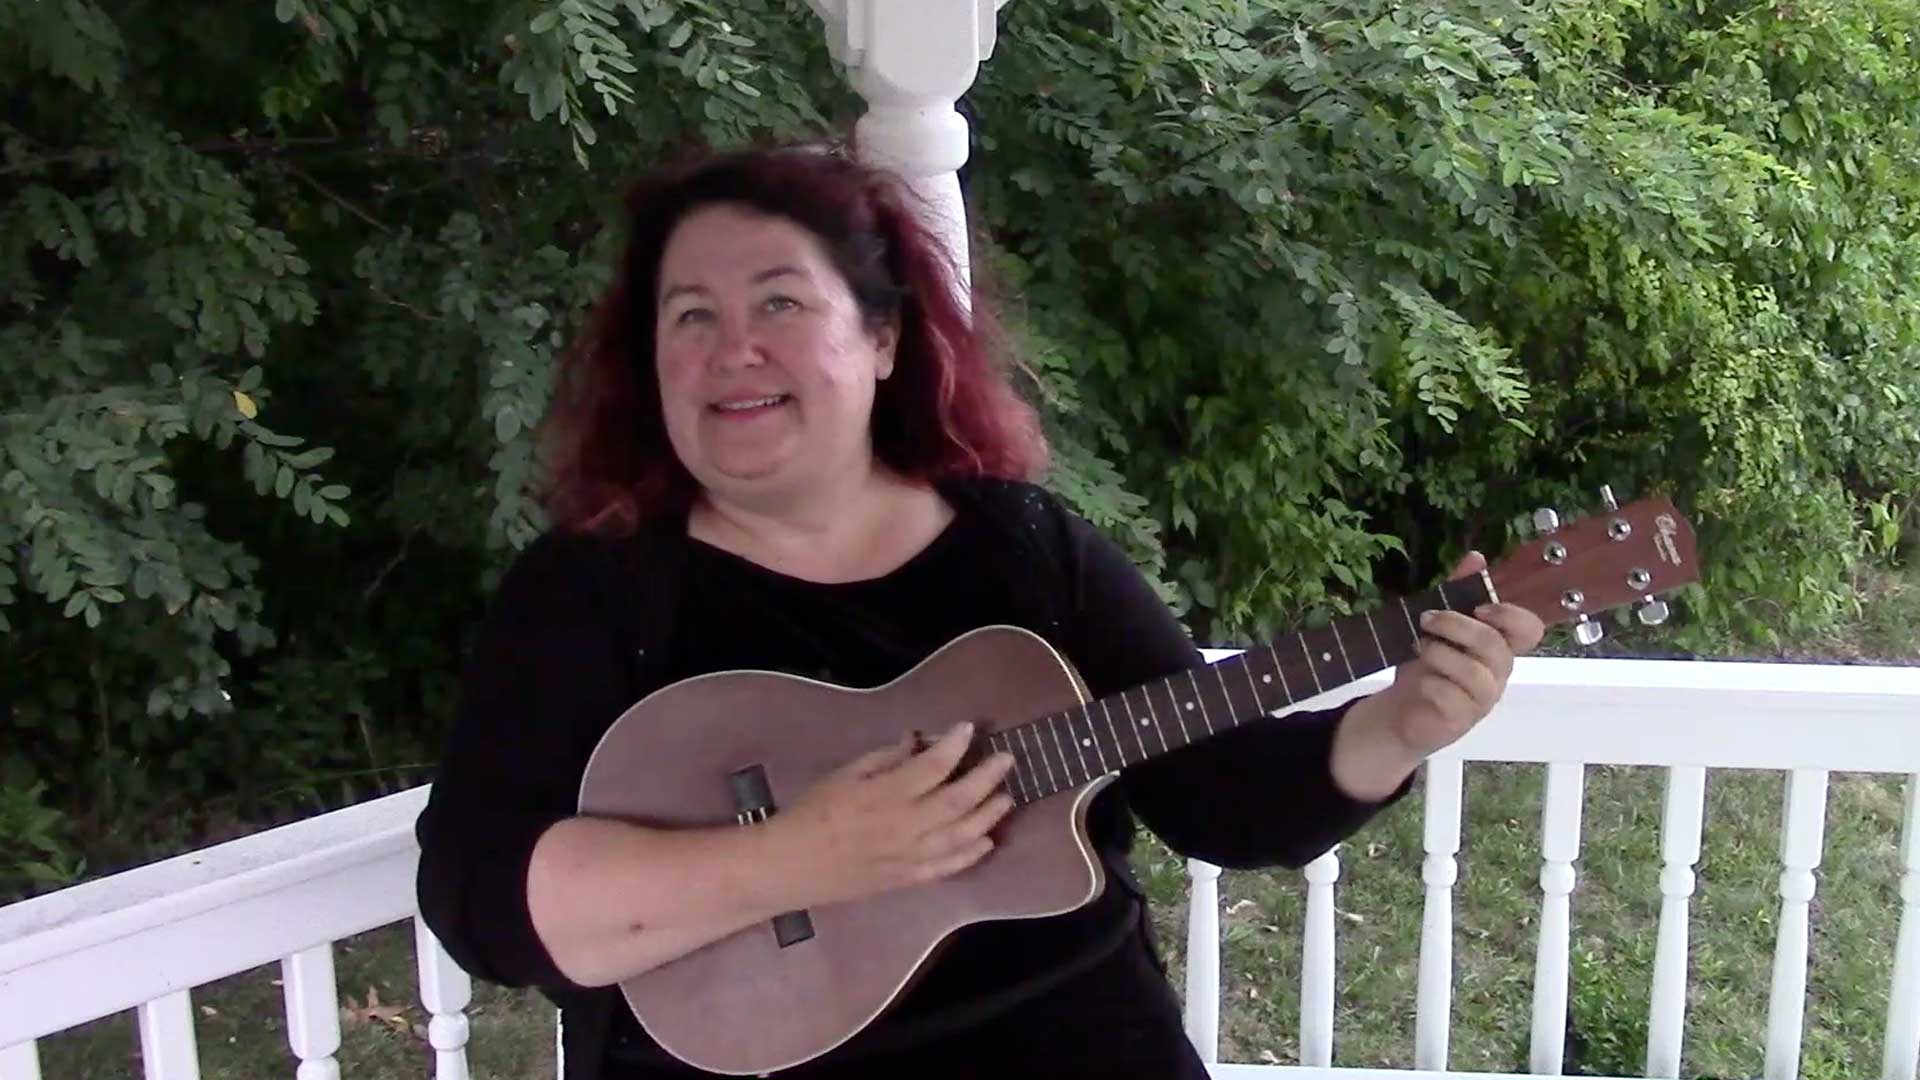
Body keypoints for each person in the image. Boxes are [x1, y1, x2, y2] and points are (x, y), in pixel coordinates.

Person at [413, 143, 1545, 1080]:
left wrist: (1400, 725)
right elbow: (478, 898)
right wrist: (803, 859)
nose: (732, 348)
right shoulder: (594, 593)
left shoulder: (1024, 550)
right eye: (689, 316)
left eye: (780, 302)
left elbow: (1221, 798)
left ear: (884, 339)